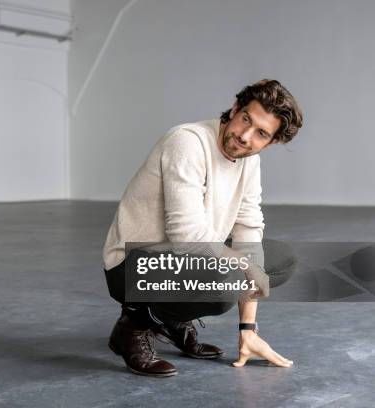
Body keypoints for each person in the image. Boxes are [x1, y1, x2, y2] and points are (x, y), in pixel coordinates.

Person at [102, 79, 303, 377]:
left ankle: (170, 318)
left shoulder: (250, 162)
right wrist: (245, 266)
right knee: (224, 279)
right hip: (132, 265)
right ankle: (133, 324)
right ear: (235, 109)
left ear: (271, 142)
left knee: (281, 258)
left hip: (182, 263)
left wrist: (248, 328)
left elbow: (249, 228)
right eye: (246, 119)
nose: (245, 136)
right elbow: (187, 238)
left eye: (261, 133)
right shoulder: (188, 141)